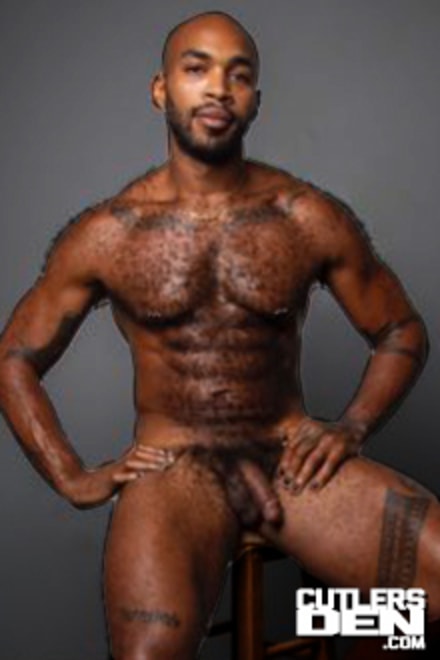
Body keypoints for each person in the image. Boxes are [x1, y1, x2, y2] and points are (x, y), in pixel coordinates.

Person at [0, 10, 439, 660]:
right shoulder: (109, 234)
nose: (218, 88)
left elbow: (400, 330)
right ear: (161, 89)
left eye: (238, 75)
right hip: (174, 472)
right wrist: (70, 474)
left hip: (290, 463)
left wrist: (351, 425)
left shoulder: (304, 217)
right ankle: (327, 617)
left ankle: (329, 621)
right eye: (196, 69)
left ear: (255, 100)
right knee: (149, 654)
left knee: (429, 597)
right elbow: (15, 357)